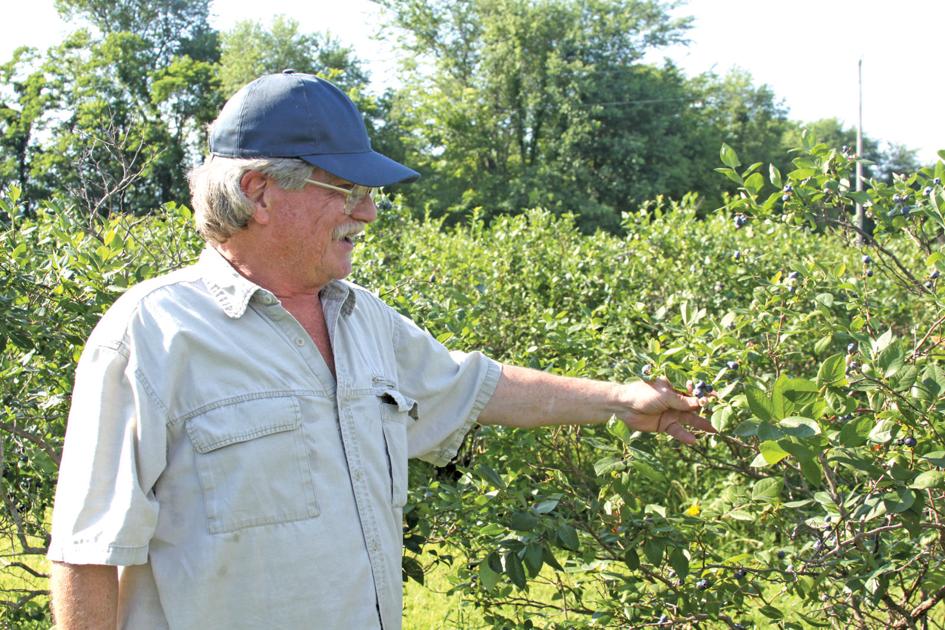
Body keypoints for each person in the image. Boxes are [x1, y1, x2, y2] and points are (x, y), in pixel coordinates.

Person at [47, 71, 713, 630]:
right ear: (259, 193)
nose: (367, 213)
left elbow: (474, 387)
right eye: (348, 191)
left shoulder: (361, 318)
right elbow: (88, 551)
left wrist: (621, 402)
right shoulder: (151, 334)